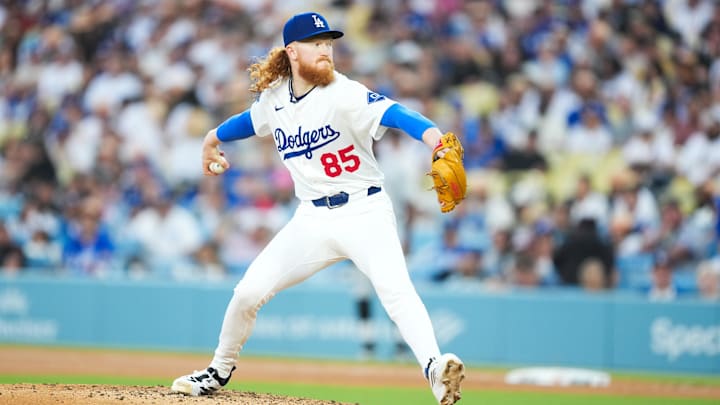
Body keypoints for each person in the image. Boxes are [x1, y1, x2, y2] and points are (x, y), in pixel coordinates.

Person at [170, 12, 465, 405]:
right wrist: (211, 137)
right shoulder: (275, 100)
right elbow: (249, 121)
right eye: (316, 43)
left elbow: (398, 114)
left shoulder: (345, 93)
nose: (326, 50)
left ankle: (434, 369)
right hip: (311, 219)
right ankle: (218, 370)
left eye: (329, 43)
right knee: (246, 293)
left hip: (365, 212)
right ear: (293, 52)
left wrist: (436, 142)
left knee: (396, 291)